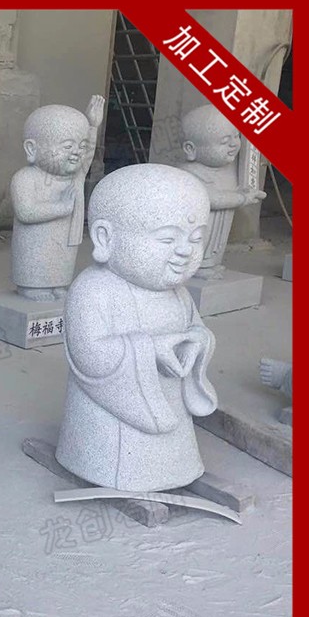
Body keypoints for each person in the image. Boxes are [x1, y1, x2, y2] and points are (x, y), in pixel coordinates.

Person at [55, 164, 218, 493]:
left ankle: (174, 467)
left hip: (169, 403)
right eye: (168, 238)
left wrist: (198, 343)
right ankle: (98, 463)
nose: (185, 250)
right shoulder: (92, 290)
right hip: (108, 429)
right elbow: (88, 353)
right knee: (115, 452)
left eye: (196, 238)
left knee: (174, 442)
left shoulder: (179, 293)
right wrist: (150, 349)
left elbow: (197, 328)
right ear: (105, 238)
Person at [10, 96, 104, 302]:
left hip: (65, 237)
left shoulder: (75, 177)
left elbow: (88, 155)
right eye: (67, 146)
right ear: (31, 149)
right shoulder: (25, 178)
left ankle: (58, 284)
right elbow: (25, 212)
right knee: (37, 257)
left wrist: (93, 127)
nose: (76, 152)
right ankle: (31, 286)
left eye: (81, 146)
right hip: (36, 239)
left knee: (62, 259)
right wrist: (62, 207)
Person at [180, 104, 265, 279]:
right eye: (225, 141)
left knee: (215, 244)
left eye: (236, 136)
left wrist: (244, 192)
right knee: (200, 241)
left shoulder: (225, 169)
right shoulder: (188, 174)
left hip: (221, 222)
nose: (234, 144)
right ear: (191, 149)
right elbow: (212, 199)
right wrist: (241, 198)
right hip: (198, 225)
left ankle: (210, 264)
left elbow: (227, 193)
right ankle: (197, 267)